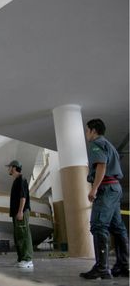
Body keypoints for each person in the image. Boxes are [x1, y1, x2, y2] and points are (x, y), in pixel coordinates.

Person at [80, 118, 129, 279]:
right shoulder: (108, 144)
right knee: (118, 228)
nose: (86, 133)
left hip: (106, 189)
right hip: (115, 188)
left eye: (87, 130)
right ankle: (124, 266)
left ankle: (102, 268)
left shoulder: (96, 144)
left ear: (93, 130)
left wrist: (94, 189)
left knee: (98, 226)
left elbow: (101, 165)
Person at [6, 160, 33, 269]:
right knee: (18, 236)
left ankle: (28, 260)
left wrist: (20, 211)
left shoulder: (21, 179)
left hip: (21, 211)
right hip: (16, 212)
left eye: (9, 167)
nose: (8, 169)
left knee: (23, 234)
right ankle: (21, 258)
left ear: (14, 167)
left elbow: (23, 196)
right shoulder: (16, 180)